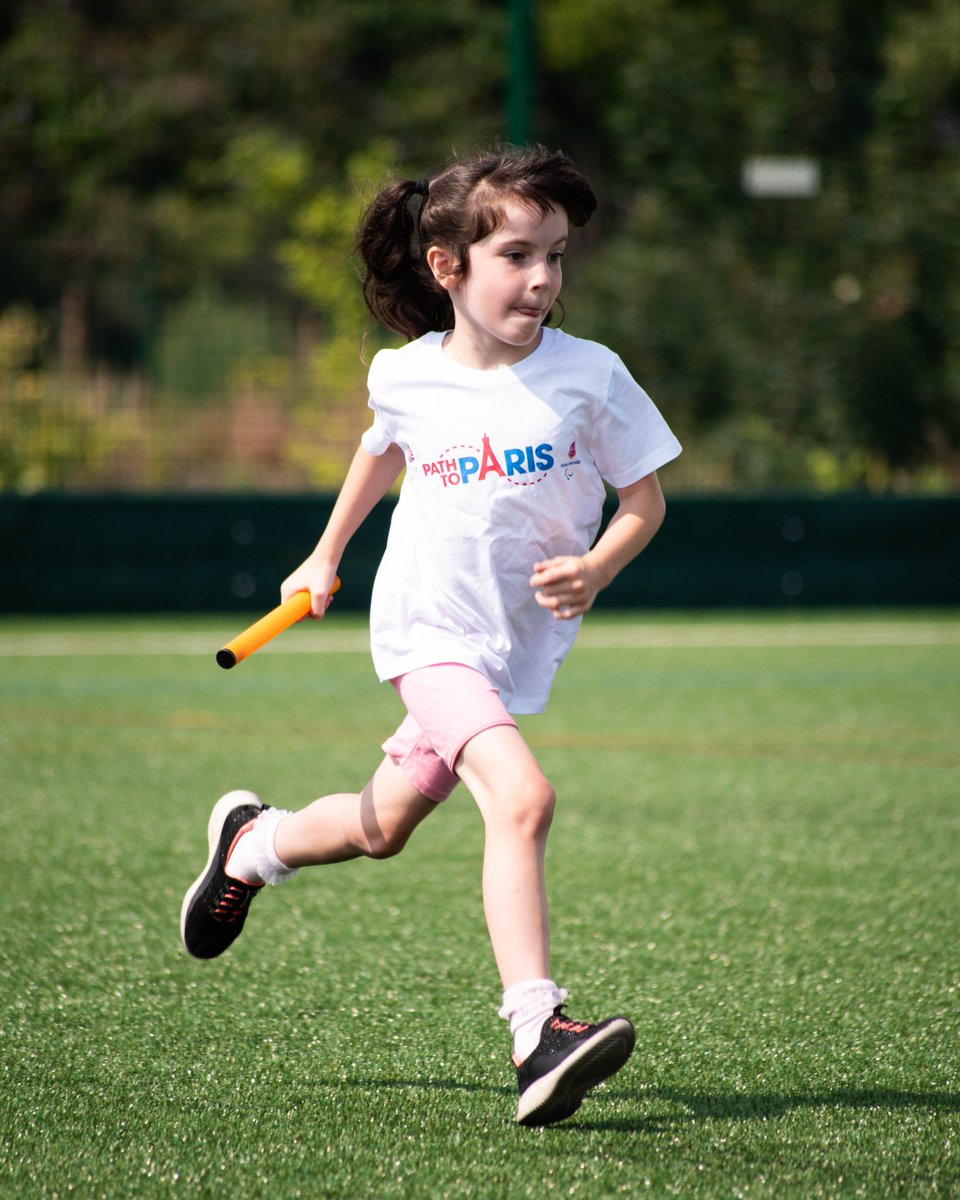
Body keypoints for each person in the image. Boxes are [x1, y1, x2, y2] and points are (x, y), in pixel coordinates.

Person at [181, 145, 681, 1127]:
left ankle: (254, 843)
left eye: (558, 256)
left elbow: (645, 499)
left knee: (380, 828)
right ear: (448, 265)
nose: (543, 279)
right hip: (427, 633)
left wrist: (598, 566)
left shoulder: (593, 375)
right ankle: (538, 1030)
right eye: (518, 256)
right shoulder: (408, 376)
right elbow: (380, 451)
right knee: (523, 797)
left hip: (506, 644)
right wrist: (321, 558)